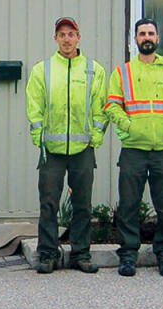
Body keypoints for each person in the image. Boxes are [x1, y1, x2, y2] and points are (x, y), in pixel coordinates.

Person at [104, 18, 163, 277]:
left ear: (158, 38)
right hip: (134, 149)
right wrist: (128, 126)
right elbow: (112, 106)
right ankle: (128, 254)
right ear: (135, 39)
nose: (147, 37)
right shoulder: (123, 72)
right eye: (142, 34)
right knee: (129, 205)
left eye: (151, 33)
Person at [28, 17, 106, 274]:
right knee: (48, 203)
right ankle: (48, 254)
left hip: (83, 149)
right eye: (62, 34)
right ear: (55, 39)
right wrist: (37, 133)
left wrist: (97, 134)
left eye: (71, 34)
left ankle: (81, 254)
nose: (67, 39)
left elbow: (100, 107)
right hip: (51, 150)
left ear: (79, 37)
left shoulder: (94, 70)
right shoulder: (43, 69)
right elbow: (35, 105)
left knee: (83, 204)